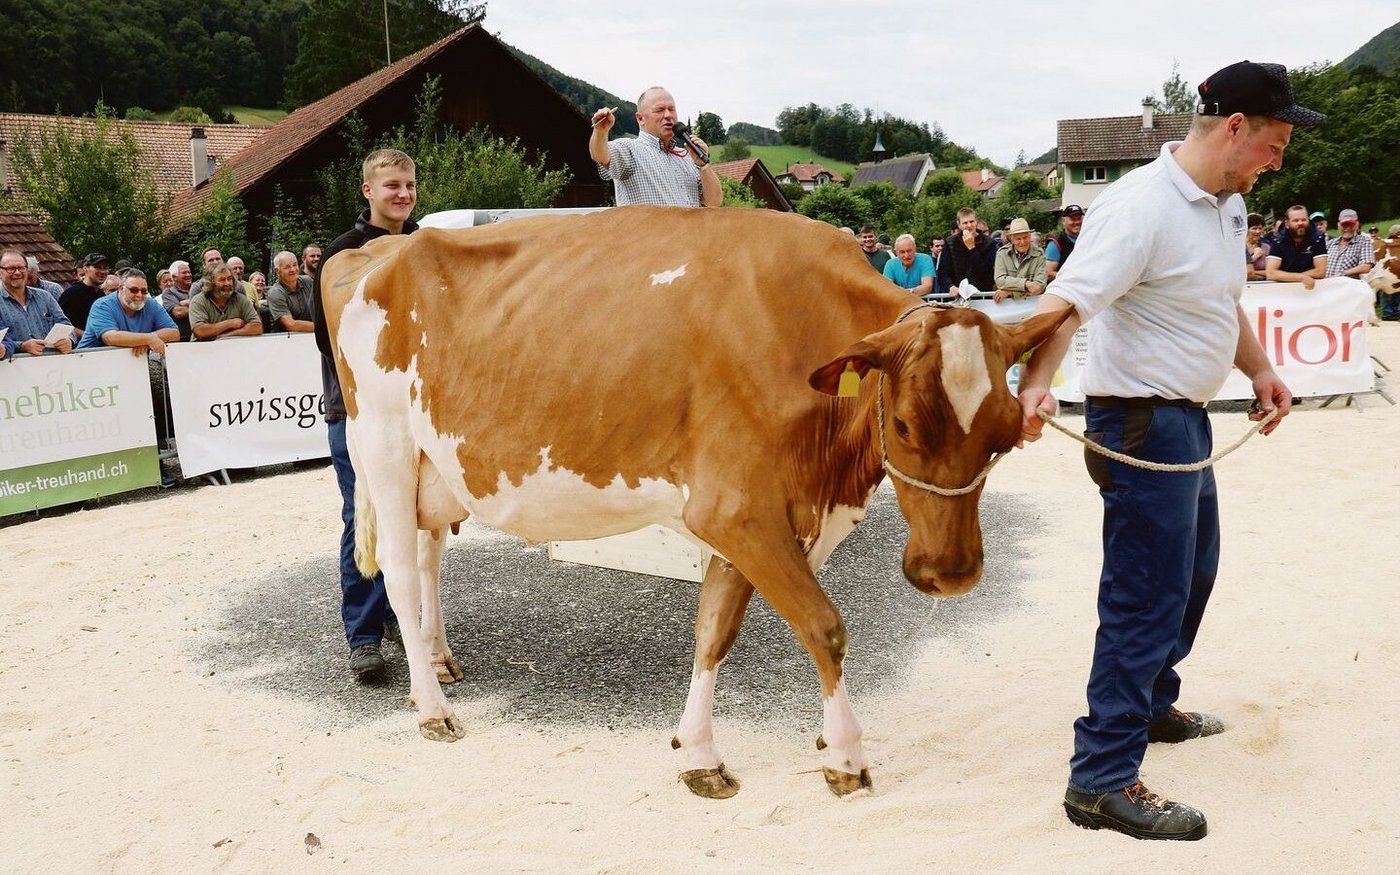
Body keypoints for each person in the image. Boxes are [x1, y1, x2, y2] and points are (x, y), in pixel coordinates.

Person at [1017, 59, 1317, 842]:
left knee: (1193, 572)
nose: (1278, 162)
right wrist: (1035, 383)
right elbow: (1065, 303)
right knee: (1144, 594)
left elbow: (1220, 301)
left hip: (1187, 418)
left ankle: (1151, 705)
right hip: (1138, 423)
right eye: (1276, 144)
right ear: (1235, 128)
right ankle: (1100, 777)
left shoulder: (1226, 204)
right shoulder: (1137, 206)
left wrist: (1260, 369)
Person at [311, 148, 418, 679]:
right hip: (355, 409)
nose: (403, 194)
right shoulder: (342, 254)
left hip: (419, 410)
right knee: (365, 514)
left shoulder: (425, 245)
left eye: (410, 185)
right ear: (368, 191)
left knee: (417, 516)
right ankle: (364, 635)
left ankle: (401, 610)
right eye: (392, 185)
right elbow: (327, 341)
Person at [589, 87, 722, 207]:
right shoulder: (629, 149)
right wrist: (600, 132)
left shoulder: (687, 156)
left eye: (671, 109)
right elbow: (599, 155)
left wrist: (703, 165)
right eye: (660, 110)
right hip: (648, 228)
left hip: (691, 228)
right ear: (640, 118)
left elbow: (714, 202)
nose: (668, 115)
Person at [76, 269, 179, 353]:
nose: (139, 295)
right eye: (134, 290)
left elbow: (174, 333)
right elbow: (110, 338)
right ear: (121, 288)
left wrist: (144, 340)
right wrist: (148, 339)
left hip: (128, 364)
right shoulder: (102, 305)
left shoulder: (150, 304)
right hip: (88, 363)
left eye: (144, 291)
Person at [1, 249, 76, 354]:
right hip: (15, 363)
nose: (17, 272)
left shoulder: (45, 297)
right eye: (11, 269)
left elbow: (65, 325)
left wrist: (69, 340)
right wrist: (23, 346)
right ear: (0, 272)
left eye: (21, 268)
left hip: (53, 361)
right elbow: (3, 343)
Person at [190, 263, 263, 340]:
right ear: (211, 283)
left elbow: (257, 327)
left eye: (229, 278)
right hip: (203, 346)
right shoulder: (198, 301)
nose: (227, 283)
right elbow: (200, 331)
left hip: (233, 345)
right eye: (222, 280)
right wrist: (230, 323)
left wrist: (226, 336)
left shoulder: (240, 299)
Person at [1265, 205, 1328, 289]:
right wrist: (1301, 277)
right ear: (1287, 224)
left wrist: (1288, 277)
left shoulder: (1318, 238)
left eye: (1304, 220)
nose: (1300, 223)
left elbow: (1320, 271)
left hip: (1311, 288)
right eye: (1296, 220)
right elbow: (1270, 273)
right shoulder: (1278, 240)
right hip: (1284, 288)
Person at [938, 207, 998, 292]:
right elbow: (942, 272)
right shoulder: (950, 242)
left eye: (971, 221)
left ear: (976, 222)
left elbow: (988, 273)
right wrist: (950, 286)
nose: (969, 225)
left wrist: (972, 248)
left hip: (982, 293)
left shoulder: (989, 243)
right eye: (965, 223)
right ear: (959, 225)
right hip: (957, 293)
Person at [992, 218, 1048, 303]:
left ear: (1030, 237)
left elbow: (1038, 287)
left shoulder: (1039, 254)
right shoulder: (1002, 253)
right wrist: (1026, 284)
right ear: (1012, 239)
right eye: (1018, 239)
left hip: (1031, 304)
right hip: (1006, 305)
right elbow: (1000, 281)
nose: (1022, 242)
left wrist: (1010, 292)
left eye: (1025, 237)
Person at [58, 252, 110, 339]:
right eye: (97, 267)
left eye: (105, 268)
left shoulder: (102, 295)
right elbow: (62, 325)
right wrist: (90, 337)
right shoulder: (72, 294)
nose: (102, 272)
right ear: (85, 268)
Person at [266, 250, 314, 332]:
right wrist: (322, 327)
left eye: (295, 265)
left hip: (312, 334)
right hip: (285, 337)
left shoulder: (308, 281)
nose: (293, 269)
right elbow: (290, 325)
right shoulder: (275, 293)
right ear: (277, 271)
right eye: (287, 267)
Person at [1324, 209, 1374, 280]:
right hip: (1327, 283)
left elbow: (1366, 266)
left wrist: (1342, 273)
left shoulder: (1363, 241)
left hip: (1347, 285)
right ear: (1338, 225)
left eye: (1351, 225)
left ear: (1357, 225)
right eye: (1344, 225)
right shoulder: (1330, 243)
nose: (1347, 228)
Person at [1046, 205, 1085, 280]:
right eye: (1073, 219)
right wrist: (1073, 278)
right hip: (1065, 285)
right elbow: (1048, 273)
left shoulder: (1088, 238)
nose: (1077, 222)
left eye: (1079, 218)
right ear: (1063, 221)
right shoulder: (1055, 244)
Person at [162, 260, 195, 341]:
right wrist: (200, 306)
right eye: (184, 273)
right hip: (182, 340)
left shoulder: (197, 288)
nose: (188, 275)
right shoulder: (168, 293)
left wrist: (187, 303)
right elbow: (178, 312)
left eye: (189, 272)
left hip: (203, 336)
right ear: (174, 277)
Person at [1246, 213, 1271, 280]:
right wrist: (1253, 258)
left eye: (1260, 228)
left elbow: (1272, 272)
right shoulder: (1240, 248)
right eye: (1254, 228)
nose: (1258, 231)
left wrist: (1253, 272)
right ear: (1246, 229)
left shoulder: (1266, 247)